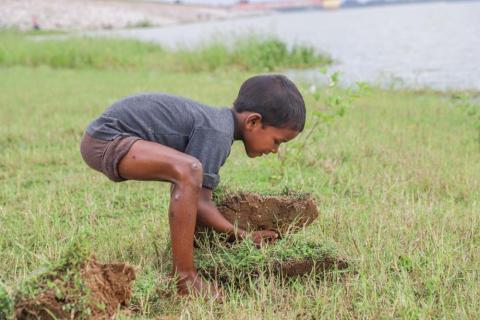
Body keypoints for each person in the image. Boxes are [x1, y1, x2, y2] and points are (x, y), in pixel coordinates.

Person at [80, 74, 306, 298]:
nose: (275, 150)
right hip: (106, 139)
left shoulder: (218, 124)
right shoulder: (217, 131)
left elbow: (192, 193)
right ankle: (184, 277)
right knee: (190, 171)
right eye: (278, 141)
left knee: (189, 173)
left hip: (108, 138)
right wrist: (243, 236)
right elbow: (199, 200)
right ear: (253, 122)